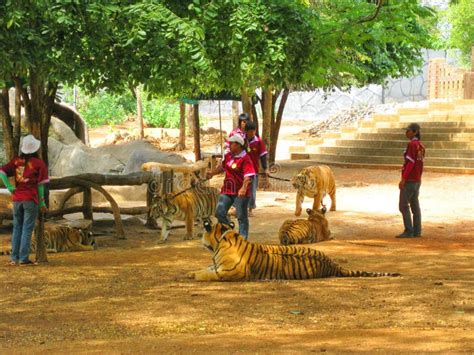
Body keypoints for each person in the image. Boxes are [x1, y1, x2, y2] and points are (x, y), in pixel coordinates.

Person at [0, 135, 49, 265]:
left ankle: (14, 259)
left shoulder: (16, 161)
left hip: (16, 200)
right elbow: (40, 185)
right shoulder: (39, 164)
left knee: (17, 228)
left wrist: (10, 187)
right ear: (35, 149)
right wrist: (42, 202)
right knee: (27, 229)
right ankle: (23, 259)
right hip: (30, 199)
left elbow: (2, 172)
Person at [207, 134, 255, 239]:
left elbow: (248, 176)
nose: (229, 145)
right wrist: (212, 173)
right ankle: (229, 231)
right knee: (219, 212)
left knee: (241, 217)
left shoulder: (245, 159)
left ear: (238, 145)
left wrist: (243, 188)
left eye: (231, 143)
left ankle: (243, 239)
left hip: (240, 193)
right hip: (227, 190)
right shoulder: (229, 155)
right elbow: (222, 167)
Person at [397, 123, 425, 238]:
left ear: (414, 132)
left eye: (408, 131)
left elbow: (410, 163)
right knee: (414, 205)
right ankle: (417, 230)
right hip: (417, 179)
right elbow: (420, 164)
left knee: (403, 205)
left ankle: (409, 230)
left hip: (410, 179)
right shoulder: (421, 146)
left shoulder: (412, 145)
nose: (406, 133)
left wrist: (404, 178)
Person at [244, 121, 269, 215]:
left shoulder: (259, 142)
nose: (252, 133)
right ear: (246, 131)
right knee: (242, 189)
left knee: (252, 190)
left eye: (254, 131)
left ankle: (250, 209)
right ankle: (240, 208)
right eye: (250, 131)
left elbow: (263, 155)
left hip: (253, 170)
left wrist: (265, 168)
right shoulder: (242, 141)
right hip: (242, 170)